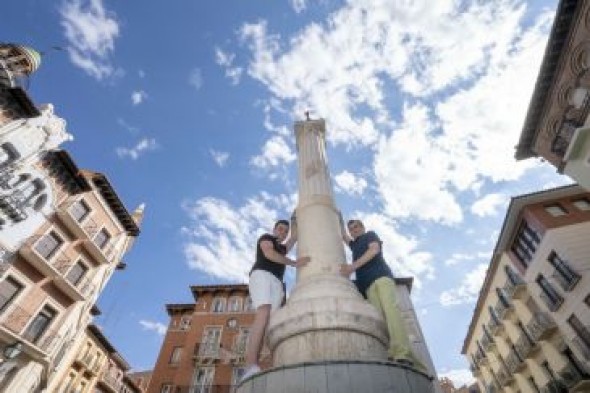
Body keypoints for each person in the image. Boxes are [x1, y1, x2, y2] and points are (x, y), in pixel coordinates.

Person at [339, 216, 427, 373]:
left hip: (381, 279)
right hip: (368, 286)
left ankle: (402, 353)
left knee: (391, 313)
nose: (353, 230)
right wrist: (338, 218)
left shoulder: (369, 235)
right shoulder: (354, 245)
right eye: (351, 229)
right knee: (380, 320)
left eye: (356, 227)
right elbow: (343, 235)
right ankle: (392, 353)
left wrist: (352, 267)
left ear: (363, 227)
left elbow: (374, 250)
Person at [241, 217, 310, 381]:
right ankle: (250, 366)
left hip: (277, 283)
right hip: (262, 275)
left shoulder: (283, 247)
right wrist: (294, 263)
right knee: (263, 313)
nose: (283, 232)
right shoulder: (267, 238)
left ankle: (272, 363)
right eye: (280, 229)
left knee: (274, 322)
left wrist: (295, 218)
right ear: (274, 229)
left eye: (285, 230)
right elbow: (269, 253)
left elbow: (294, 237)